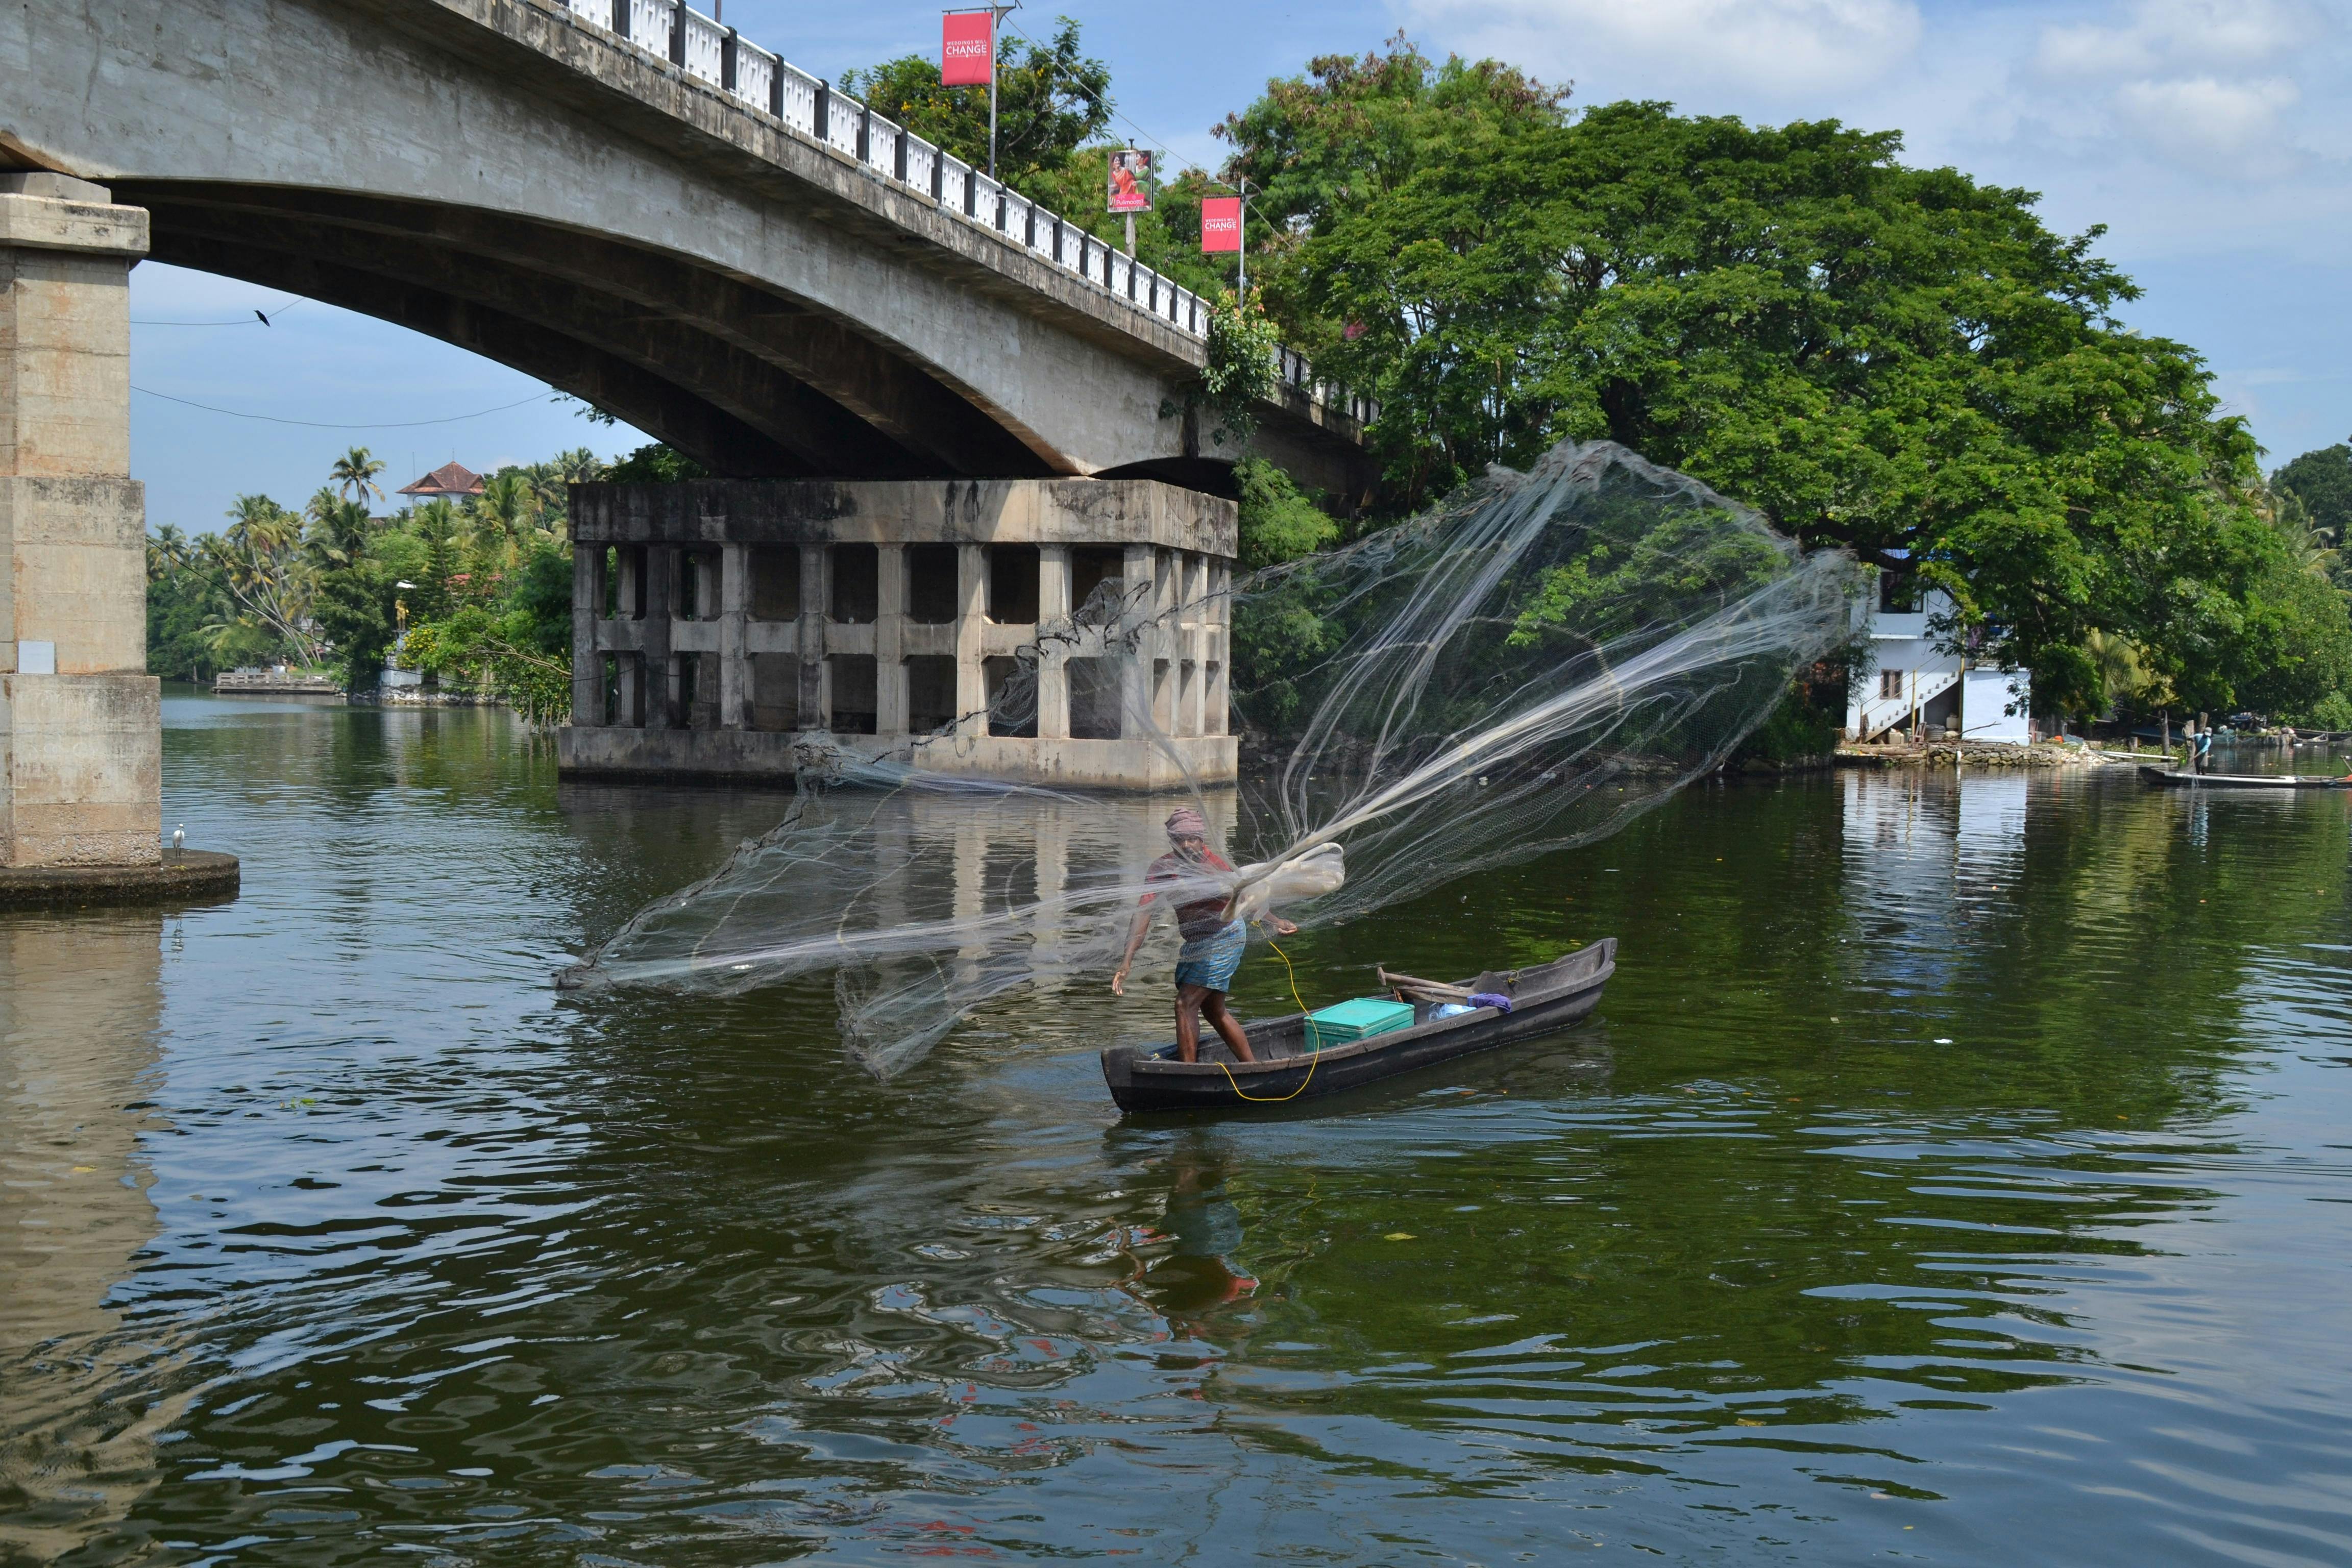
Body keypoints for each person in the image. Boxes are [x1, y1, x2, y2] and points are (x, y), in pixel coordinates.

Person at [1112, 807, 1296, 1064]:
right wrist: (1127, 960)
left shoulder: (1216, 866)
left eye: (1192, 839)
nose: (1186, 846)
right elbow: (1143, 913)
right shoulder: (1163, 868)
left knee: (1184, 1004)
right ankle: (1252, 1066)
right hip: (1196, 944)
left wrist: (1275, 922)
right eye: (1179, 840)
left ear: (1202, 840)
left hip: (1225, 938)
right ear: (1172, 842)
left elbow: (1246, 900)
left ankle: (1188, 1072)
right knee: (1214, 1011)